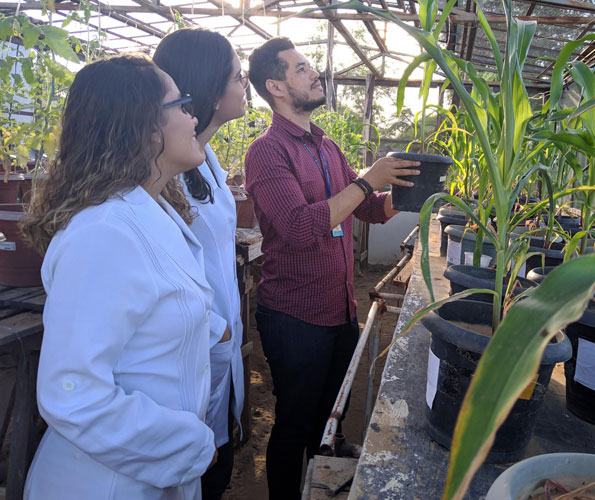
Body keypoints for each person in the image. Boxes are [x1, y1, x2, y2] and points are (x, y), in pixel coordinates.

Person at [21, 54, 217, 499]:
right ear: (146, 126)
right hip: (106, 483)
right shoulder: (104, 234)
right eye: (182, 105)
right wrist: (190, 445)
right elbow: (73, 393)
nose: (193, 117)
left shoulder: (148, 213)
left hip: (149, 473)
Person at [244, 37, 421, 499]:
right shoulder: (266, 151)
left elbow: (364, 211)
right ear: (275, 86)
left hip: (339, 308)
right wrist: (368, 180)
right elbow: (301, 228)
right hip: (295, 316)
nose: (314, 72)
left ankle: (317, 487)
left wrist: (407, 193)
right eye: (301, 69)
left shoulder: (326, 146)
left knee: (328, 420)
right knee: (294, 423)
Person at [153, 28, 246, 500]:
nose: (244, 83)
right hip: (193, 355)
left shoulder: (205, 158)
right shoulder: (162, 174)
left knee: (217, 461)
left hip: (217, 356)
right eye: (237, 75)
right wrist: (218, 331)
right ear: (209, 88)